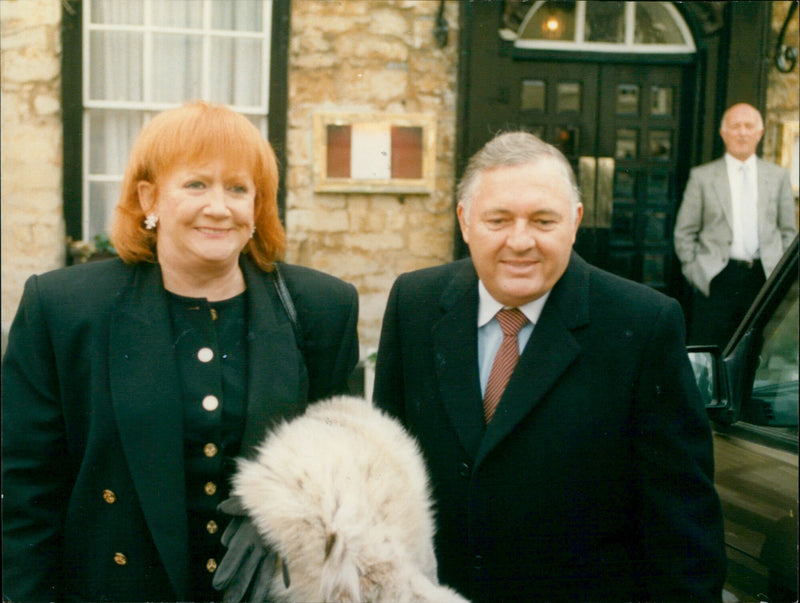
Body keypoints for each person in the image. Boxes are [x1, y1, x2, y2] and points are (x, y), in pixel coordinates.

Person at [1, 101, 359, 602]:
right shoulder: (64, 309)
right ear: (150, 198)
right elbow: (25, 493)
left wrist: (292, 517)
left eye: (238, 188)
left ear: (257, 206)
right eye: (196, 185)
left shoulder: (321, 307)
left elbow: (343, 472)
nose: (219, 207)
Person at [373, 131, 727, 602]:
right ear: (464, 220)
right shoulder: (414, 303)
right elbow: (385, 479)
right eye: (498, 219)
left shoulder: (643, 325)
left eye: (543, 220)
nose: (520, 242)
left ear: (575, 221)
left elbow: (684, 531)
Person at [674, 102, 797, 346]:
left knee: (757, 349)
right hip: (717, 277)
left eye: (748, 126)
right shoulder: (703, 177)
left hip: (763, 277)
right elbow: (684, 233)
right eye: (735, 126)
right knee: (712, 345)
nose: (742, 132)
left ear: (759, 133)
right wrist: (696, 272)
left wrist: (778, 274)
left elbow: (788, 231)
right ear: (723, 132)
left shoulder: (778, 176)